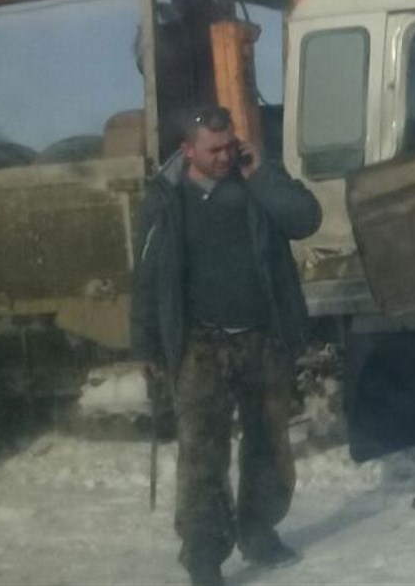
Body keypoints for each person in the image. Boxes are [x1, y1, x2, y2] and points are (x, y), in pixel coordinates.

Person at [130, 105, 322, 586]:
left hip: (261, 338)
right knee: (202, 456)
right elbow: (148, 277)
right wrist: (147, 345)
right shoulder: (166, 200)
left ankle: (258, 533)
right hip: (200, 344)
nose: (223, 157)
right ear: (187, 150)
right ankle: (203, 557)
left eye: (228, 146)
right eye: (212, 150)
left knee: (268, 445)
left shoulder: (255, 183)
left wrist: (263, 175)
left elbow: (306, 219)